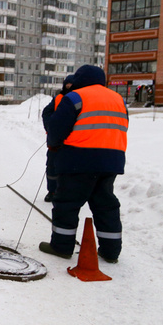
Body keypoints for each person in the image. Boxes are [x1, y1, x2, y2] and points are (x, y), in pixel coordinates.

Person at [40, 65, 129, 263]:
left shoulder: (75, 97)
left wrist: (54, 146)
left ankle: (61, 247)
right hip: (111, 161)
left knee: (67, 204)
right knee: (106, 206)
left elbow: (56, 128)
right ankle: (110, 251)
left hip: (77, 160)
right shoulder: (118, 100)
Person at [41, 75, 74, 202]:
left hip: (73, 142)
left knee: (71, 169)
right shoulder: (58, 98)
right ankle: (52, 191)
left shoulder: (80, 99)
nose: (69, 87)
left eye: (72, 85)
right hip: (56, 142)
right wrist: (51, 129)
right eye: (67, 85)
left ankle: (69, 192)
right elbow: (46, 113)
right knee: (52, 167)